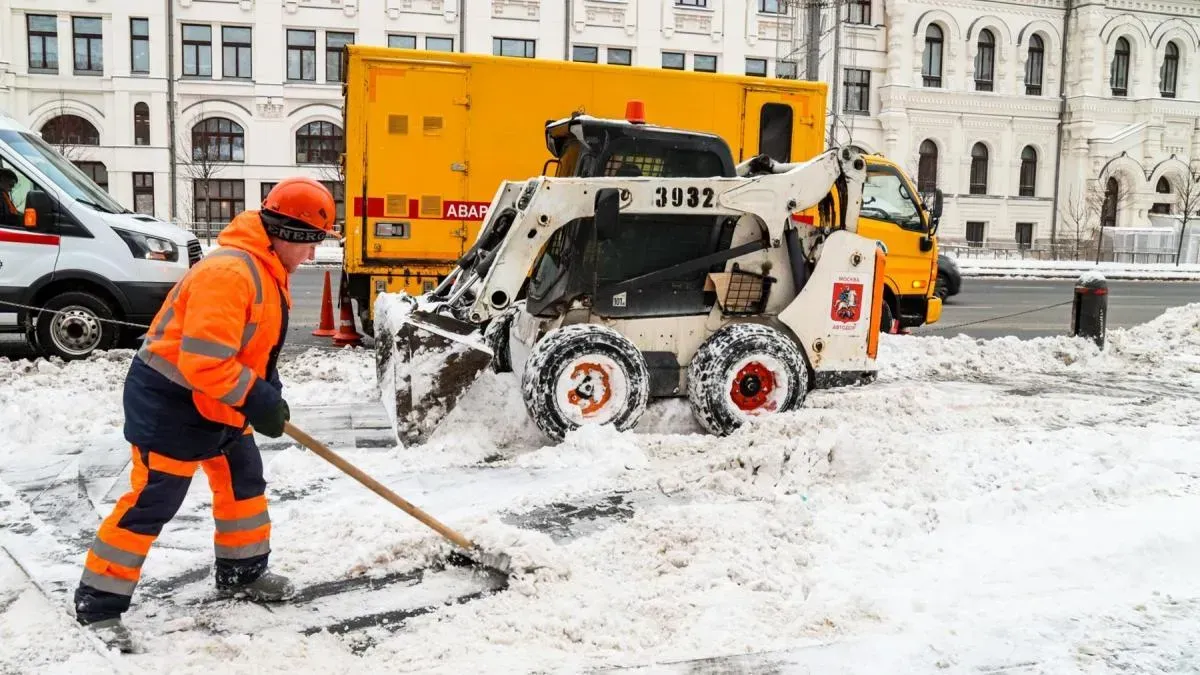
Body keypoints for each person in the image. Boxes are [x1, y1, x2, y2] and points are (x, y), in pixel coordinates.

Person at [72, 177, 337, 653]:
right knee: (154, 500)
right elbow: (204, 361)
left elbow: (252, 348)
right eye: (311, 242)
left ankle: (242, 572)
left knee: (243, 482)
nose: (313, 254)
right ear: (288, 234)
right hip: (171, 403)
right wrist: (256, 399)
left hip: (218, 400)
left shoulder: (267, 269)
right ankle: (100, 603)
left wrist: (269, 392)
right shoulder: (231, 273)